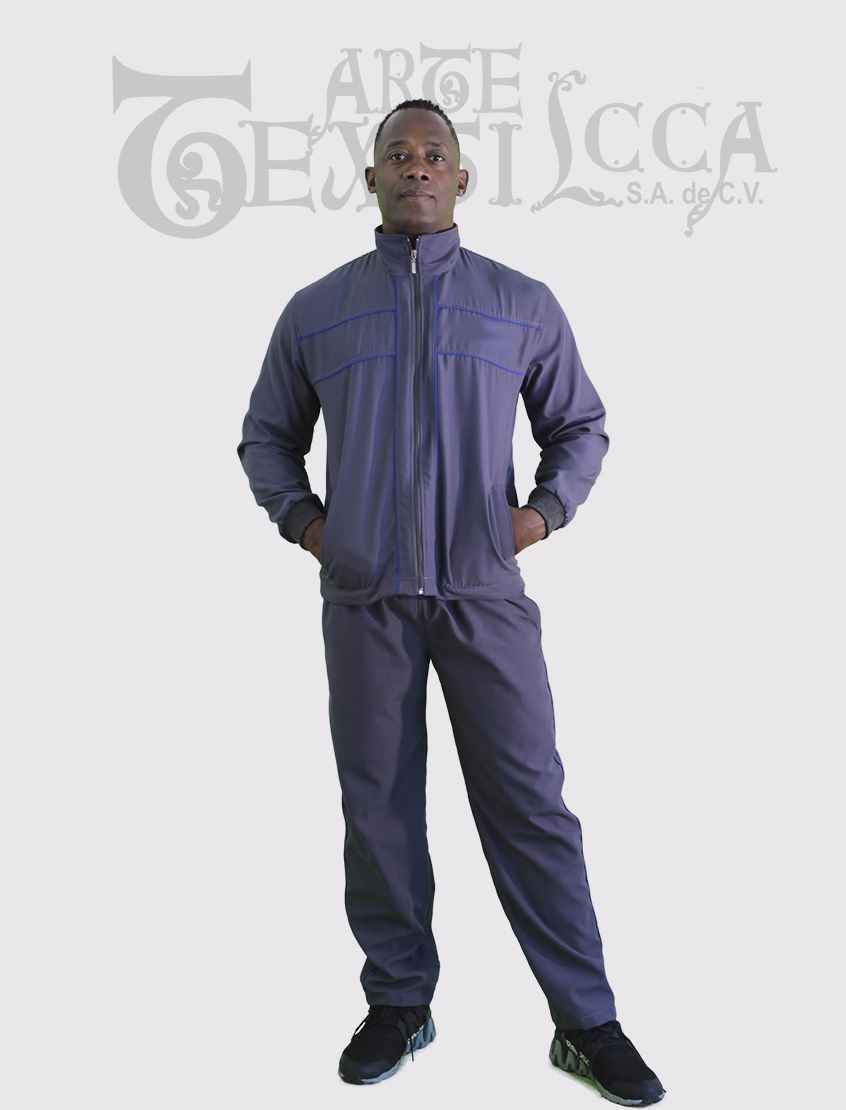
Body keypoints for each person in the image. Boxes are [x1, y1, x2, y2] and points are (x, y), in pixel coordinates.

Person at [238, 98, 665, 1106]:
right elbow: (266, 438)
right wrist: (313, 527)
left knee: (530, 803)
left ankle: (585, 1020)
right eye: (399, 154)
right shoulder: (318, 311)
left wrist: (541, 515)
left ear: (462, 178)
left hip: (483, 593)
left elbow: (581, 426)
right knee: (377, 807)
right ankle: (400, 1001)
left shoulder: (520, 304)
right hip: (366, 600)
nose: (418, 166)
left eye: (435, 154)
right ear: (373, 178)